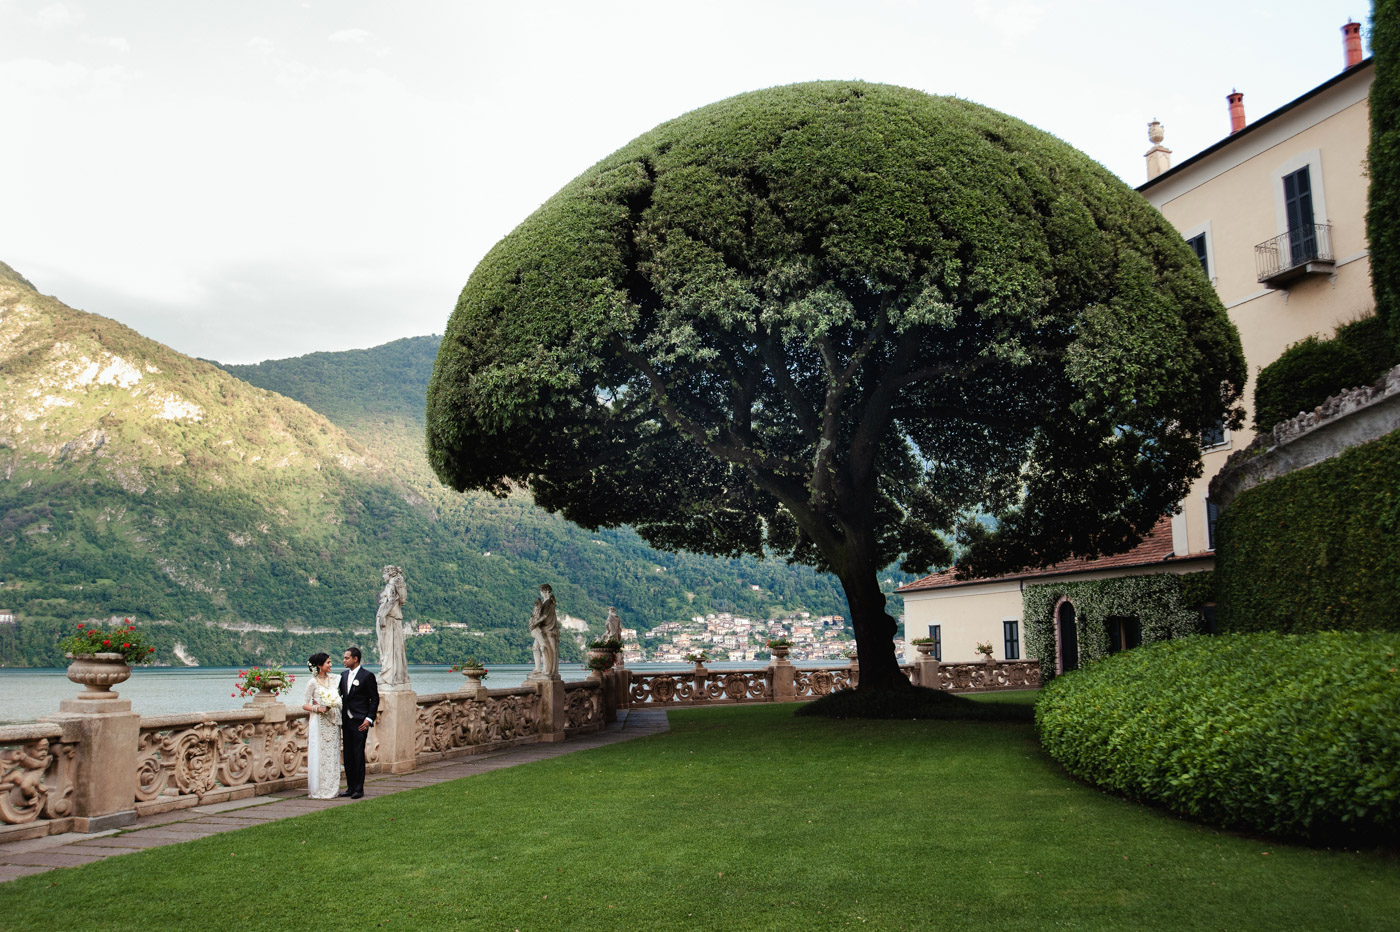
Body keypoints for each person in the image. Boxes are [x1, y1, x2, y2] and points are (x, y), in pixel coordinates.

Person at [300, 652, 342, 800]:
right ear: (319, 665)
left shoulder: (336, 679)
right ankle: (319, 789)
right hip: (318, 722)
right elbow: (304, 704)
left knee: (333, 754)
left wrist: (335, 703)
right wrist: (319, 709)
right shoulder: (312, 682)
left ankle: (332, 788)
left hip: (333, 721)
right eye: (328, 663)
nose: (331, 665)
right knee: (320, 754)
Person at [339, 646, 378, 799]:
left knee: (358, 754)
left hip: (360, 721)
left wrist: (369, 719)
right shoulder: (342, 676)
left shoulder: (367, 676)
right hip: (346, 721)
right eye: (344, 658)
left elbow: (374, 699)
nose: (344, 660)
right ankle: (349, 787)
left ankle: (359, 788)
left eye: (346, 658)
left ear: (355, 659)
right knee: (347, 755)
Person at [375, 565, 409, 688]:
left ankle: (388, 675)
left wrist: (383, 615)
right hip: (392, 618)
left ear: (389, 574)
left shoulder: (391, 586)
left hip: (389, 619)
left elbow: (391, 601)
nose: (383, 576)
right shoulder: (393, 585)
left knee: (388, 647)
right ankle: (394, 675)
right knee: (392, 647)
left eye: (384, 573)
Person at [528, 583, 559, 677]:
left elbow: (544, 616)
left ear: (544, 591)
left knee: (543, 648)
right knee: (535, 648)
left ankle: (545, 669)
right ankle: (538, 668)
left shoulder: (548, 602)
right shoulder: (550, 601)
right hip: (543, 629)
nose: (540, 593)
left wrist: (535, 623)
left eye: (541, 591)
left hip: (544, 629)